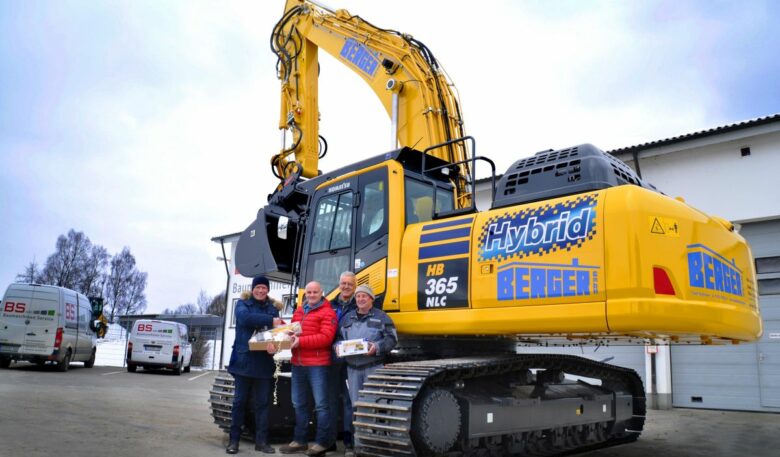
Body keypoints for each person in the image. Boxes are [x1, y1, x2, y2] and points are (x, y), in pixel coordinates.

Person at [275, 281, 337, 457]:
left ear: (321, 292)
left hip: (318, 365)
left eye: (314, 292)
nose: (311, 295)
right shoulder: (299, 311)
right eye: (308, 292)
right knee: (299, 404)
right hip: (298, 364)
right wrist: (285, 335)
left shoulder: (328, 312)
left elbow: (326, 338)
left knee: (322, 405)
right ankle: (300, 441)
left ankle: (322, 443)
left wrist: (300, 341)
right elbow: (294, 332)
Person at [336, 285, 398, 455]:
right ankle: (360, 445)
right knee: (357, 407)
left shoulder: (382, 317)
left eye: (364, 296)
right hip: (352, 370)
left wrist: (377, 347)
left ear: (371, 299)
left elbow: (392, 339)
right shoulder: (347, 318)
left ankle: (376, 445)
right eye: (358, 296)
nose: (361, 299)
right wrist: (337, 348)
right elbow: (339, 338)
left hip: (373, 368)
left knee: (374, 405)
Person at [226, 275, 281, 455]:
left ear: (267, 290)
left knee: (263, 404)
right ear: (253, 288)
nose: (260, 290)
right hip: (243, 362)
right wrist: (269, 320)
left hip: (264, 364)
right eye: (257, 287)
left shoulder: (273, 309)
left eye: (264, 288)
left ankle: (261, 441)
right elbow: (245, 319)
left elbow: (275, 334)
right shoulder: (243, 304)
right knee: (239, 402)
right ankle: (234, 441)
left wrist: (275, 347)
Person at [327, 272, 358, 454]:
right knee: (330, 401)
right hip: (331, 360)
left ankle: (349, 441)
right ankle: (330, 441)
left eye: (350, 284)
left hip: (351, 361)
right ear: (339, 285)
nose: (346, 286)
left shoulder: (359, 305)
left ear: (355, 286)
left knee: (348, 401)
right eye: (343, 283)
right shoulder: (330, 305)